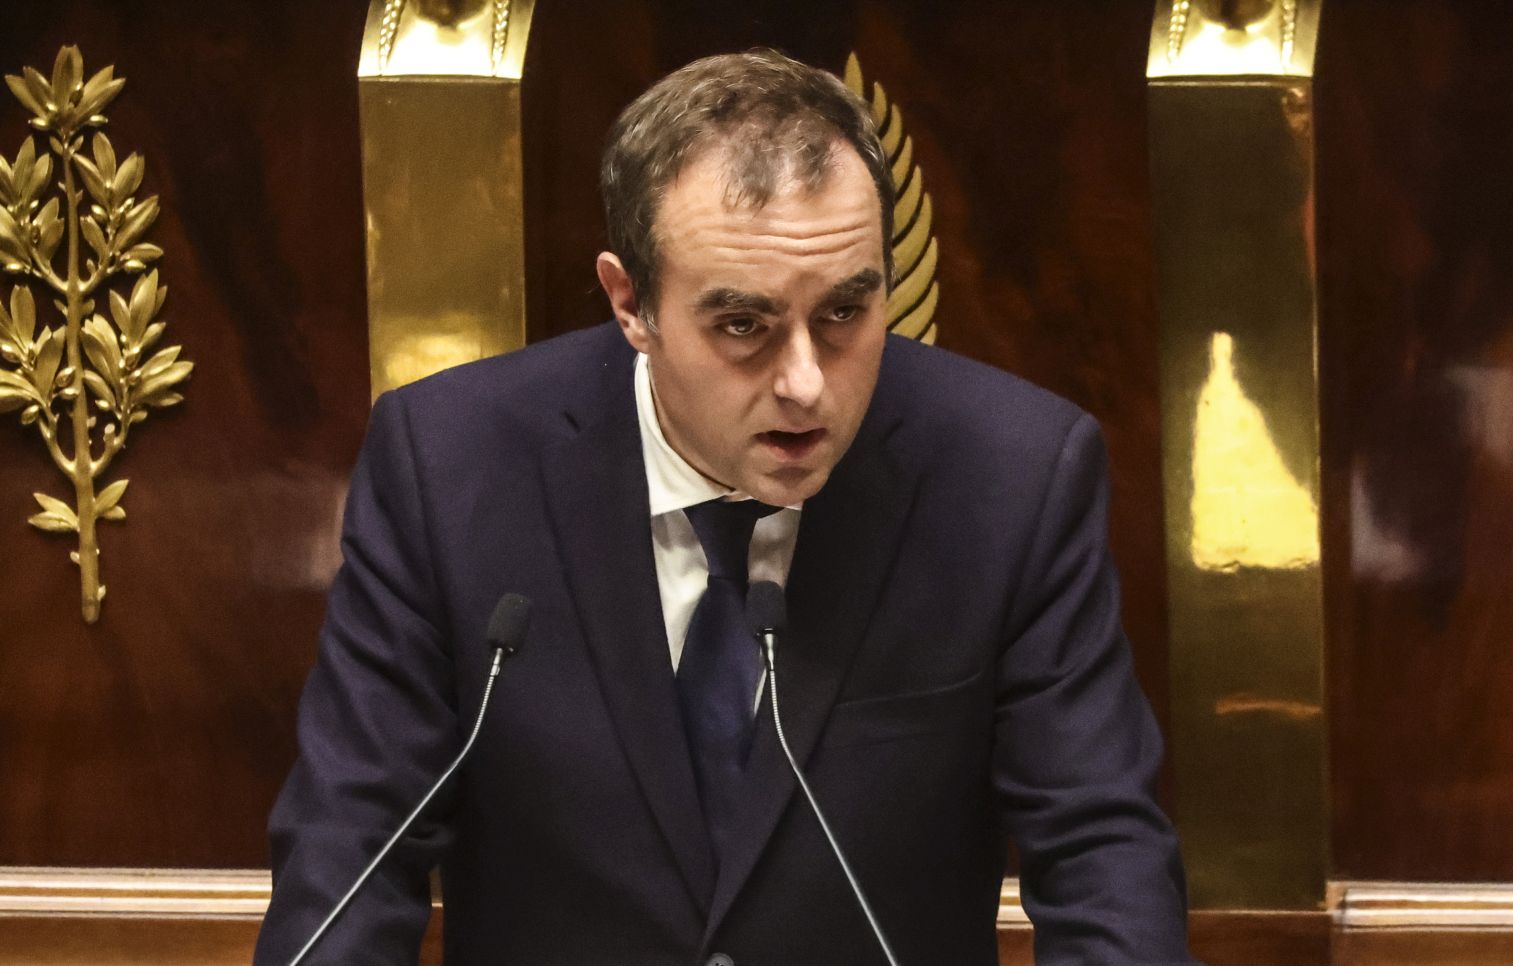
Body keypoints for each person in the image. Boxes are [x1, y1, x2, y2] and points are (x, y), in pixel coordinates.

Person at [255, 49, 1194, 966]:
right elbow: (354, 846)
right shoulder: (450, 464)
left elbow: (1100, 853)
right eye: (743, 324)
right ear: (630, 304)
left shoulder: (1012, 476)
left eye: (844, 313)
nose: (805, 384)